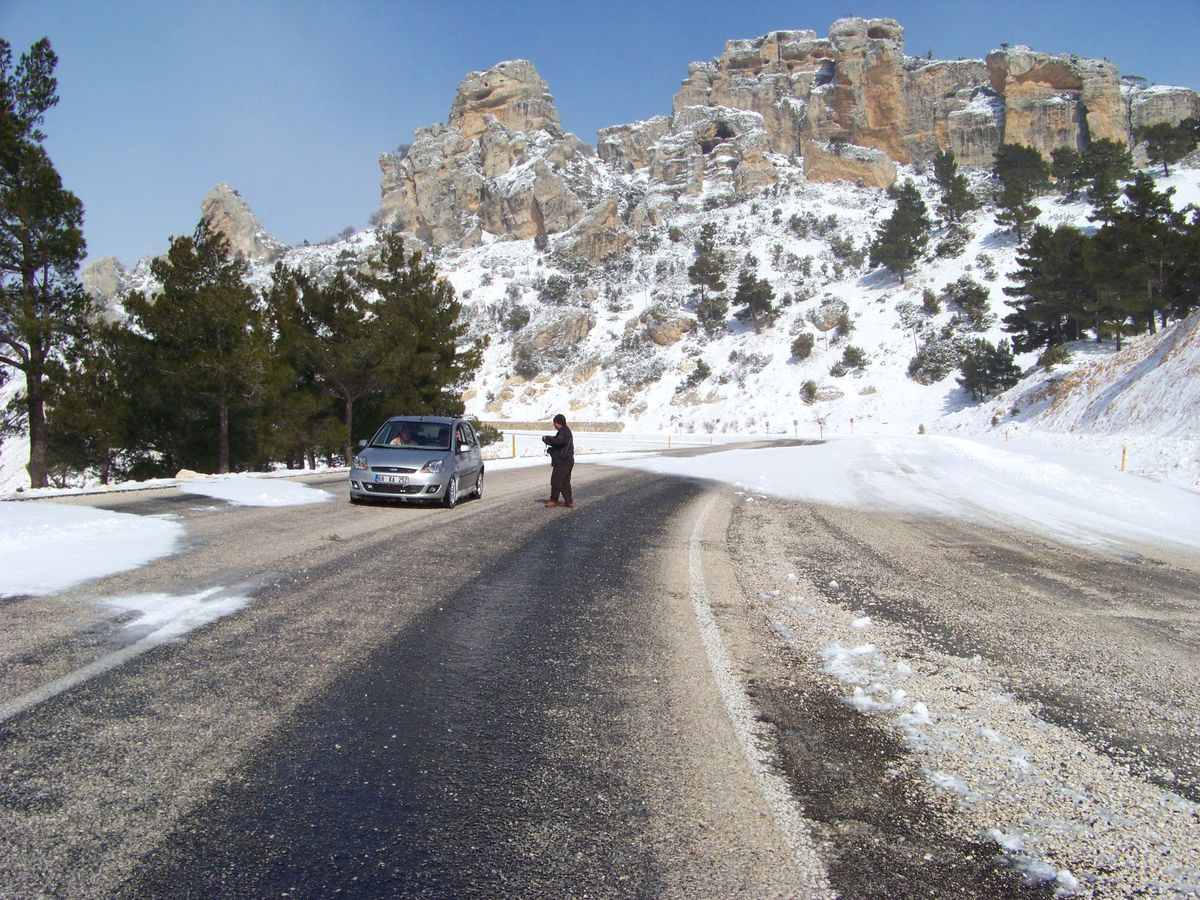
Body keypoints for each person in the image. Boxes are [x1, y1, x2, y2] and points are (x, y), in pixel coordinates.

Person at [541, 413, 574, 507]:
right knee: (564, 482)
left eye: (554, 423)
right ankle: (569, 501)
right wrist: (551, 449)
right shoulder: (565, 431)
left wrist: (547, 438)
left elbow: (559, 441)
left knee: (556, 481)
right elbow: (560, 444)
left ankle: (553, 500)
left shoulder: (564, 431)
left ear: (558, 423)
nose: (554, 425)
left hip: (563, 461)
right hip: (567, 460)